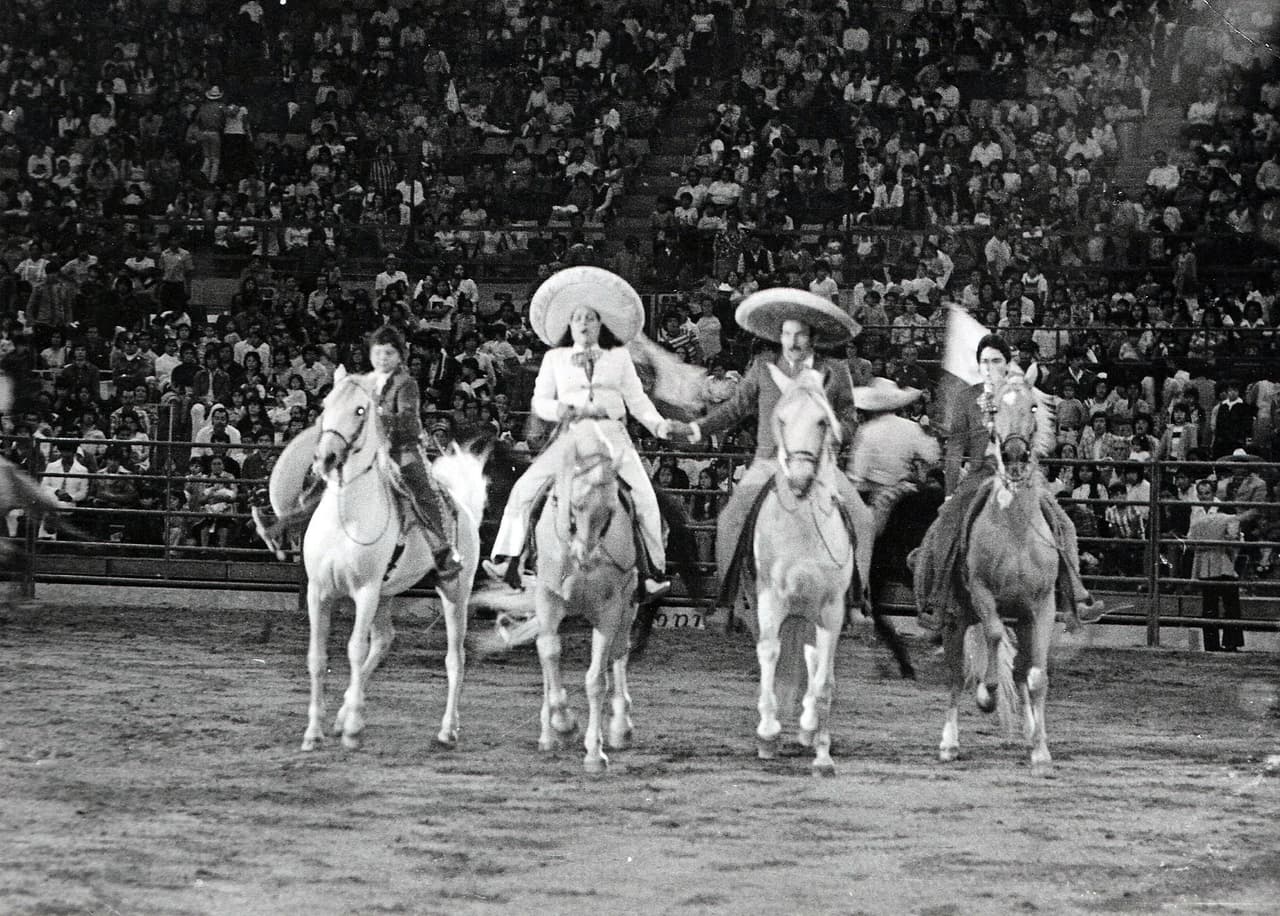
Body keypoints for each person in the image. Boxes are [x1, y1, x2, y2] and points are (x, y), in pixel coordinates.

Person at [481, 267, 687, 599]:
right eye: (578, 318)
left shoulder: (618, 357)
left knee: (646, 498)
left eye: (590, 317)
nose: (584, 323)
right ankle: (508, 559)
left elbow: (637, 400)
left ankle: (652, 572)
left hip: (612, 435)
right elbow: (540, 401)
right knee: (524, 489)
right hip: (570, 435)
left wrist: (659, 424)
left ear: (599, 323)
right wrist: (560, 410)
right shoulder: (554, 359)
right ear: (569, 324)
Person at [685, 287, 874, 613]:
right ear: (780, 336)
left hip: (820, 464)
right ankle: (728, 596)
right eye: (788, 334)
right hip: (768, 462)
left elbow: (848, 417)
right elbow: (735, 409)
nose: (794, 341)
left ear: (813, 337)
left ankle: (858, 593)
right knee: (731, 517)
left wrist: (836, 433)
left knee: (863, 518)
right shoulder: (762, 367)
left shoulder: (836, 371)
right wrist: (698, 427)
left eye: (801, 334)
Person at [912, 333, 1103, 631]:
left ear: (1006, 363)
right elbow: (954, 448)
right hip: (980, 476)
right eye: (984, 361)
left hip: (1021, 475)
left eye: (996, 360)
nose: (990, 366)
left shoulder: (1021, 395)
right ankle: (938, 599)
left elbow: (1036, 438)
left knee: (1063, 523)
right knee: (948, 523)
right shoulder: (966, 398)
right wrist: (950, 493)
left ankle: (1075, 598)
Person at [252, 325, 461, 580]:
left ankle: (443, 550)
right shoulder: (366, 383)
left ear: (399, 357)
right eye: (379, 352)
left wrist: (376, 419)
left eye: (389, 353)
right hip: (370, 447)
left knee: (419, 485)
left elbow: (406, 418)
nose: (383, 358)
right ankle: (285, 523)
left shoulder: (406, 384)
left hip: (403, 447)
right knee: (328, 478)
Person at [1190, 503, 1243, 652]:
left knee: (1209, 606)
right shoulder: (1231, 519)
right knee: (1231, 604)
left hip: (1205, 566)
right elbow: (1232, 540)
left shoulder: (1201, 521)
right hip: (1224, 564)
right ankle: (1231, 642)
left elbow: (1191, 541)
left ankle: (1211, 644)